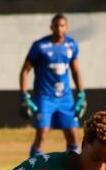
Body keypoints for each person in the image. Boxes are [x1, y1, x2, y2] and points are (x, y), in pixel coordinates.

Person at [19, 13, 87, 158]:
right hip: (45, 97)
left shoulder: (71, 45)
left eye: (62, 25)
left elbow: (75, 71)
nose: (59, 28)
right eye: (56, 25)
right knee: (42, 134)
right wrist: (25, 96)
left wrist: (82, 94)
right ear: (51, 27)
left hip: (65, 98)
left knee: (73, 135)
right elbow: (25, 71)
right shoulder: (40, 46)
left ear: (67, 27)